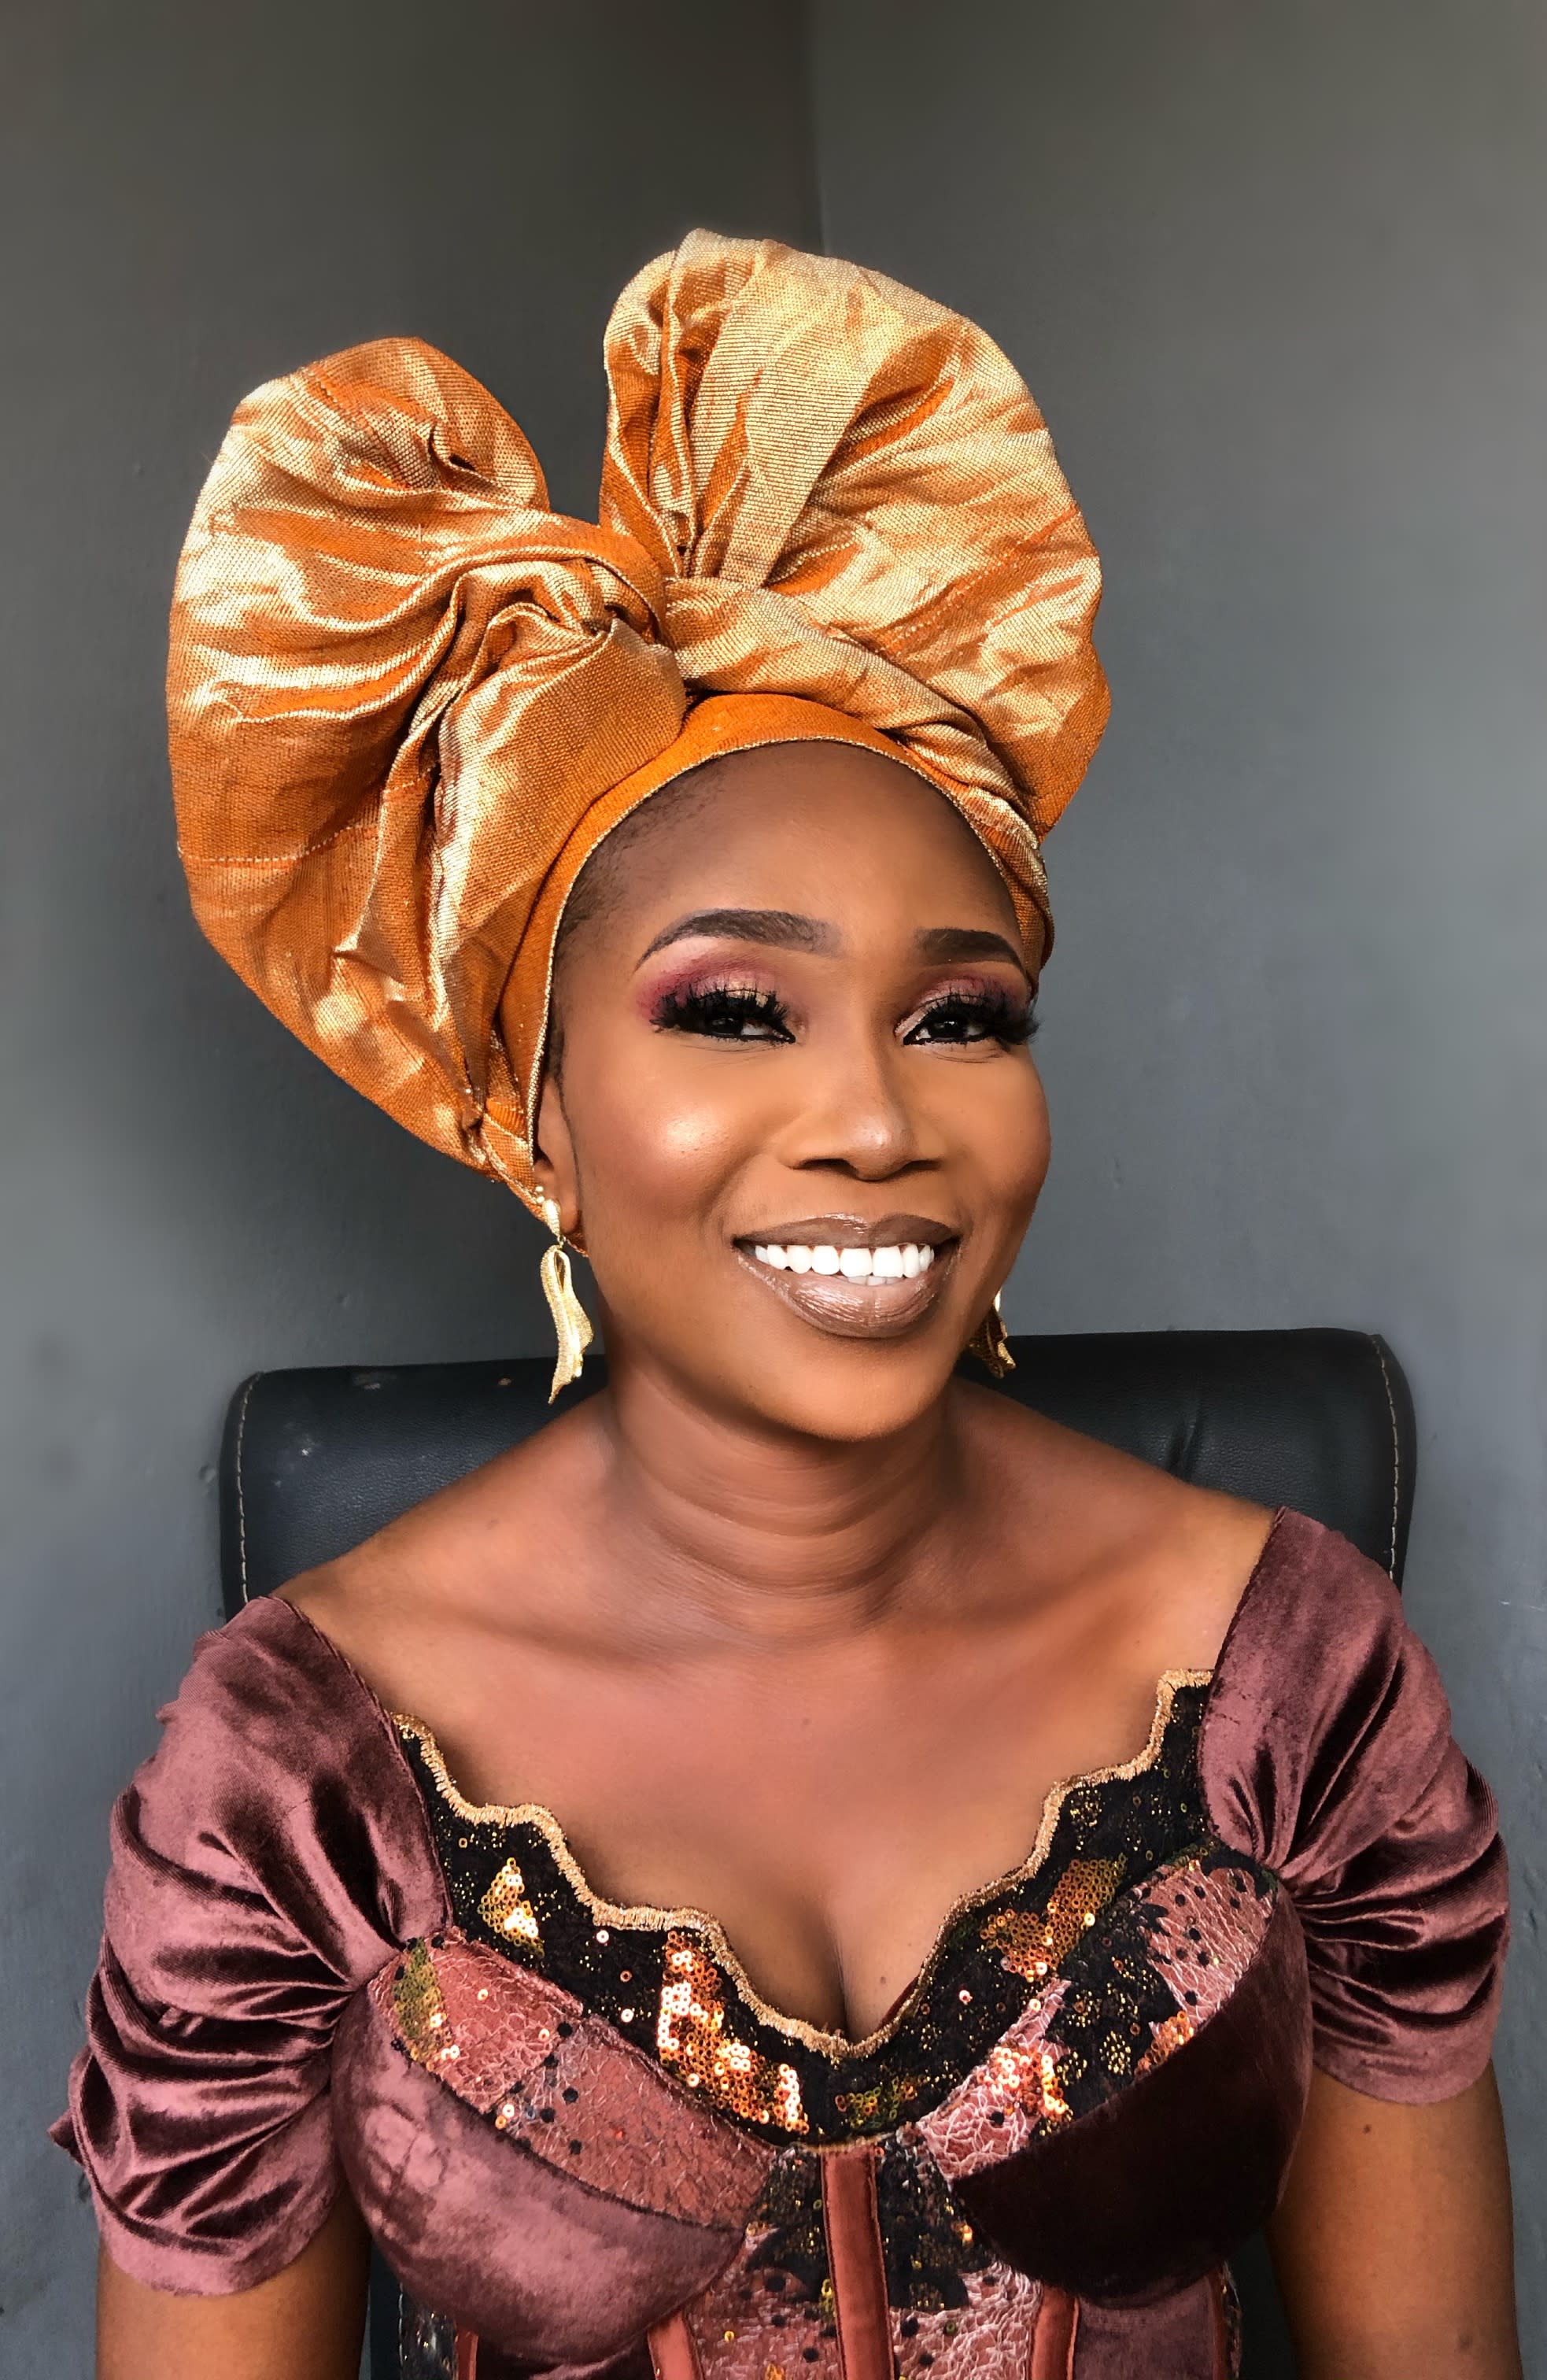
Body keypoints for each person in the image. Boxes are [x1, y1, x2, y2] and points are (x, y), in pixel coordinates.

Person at [57, 232, 1516, 2380]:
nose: (875, 1121)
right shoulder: (293, 1782)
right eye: (735, 1011)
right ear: (541, 1120)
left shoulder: (1296, 1682)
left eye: (961, 1018)